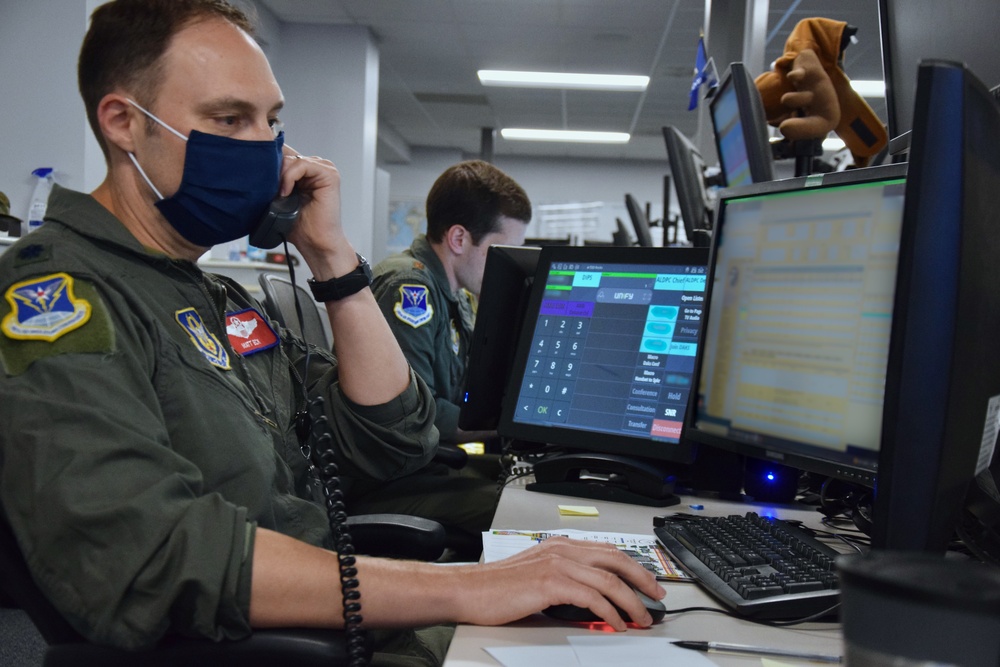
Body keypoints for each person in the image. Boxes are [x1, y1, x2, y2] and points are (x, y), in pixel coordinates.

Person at [0, 1, 664, 664]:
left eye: (273, 121)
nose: (268, 147)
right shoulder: (58, 297)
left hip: (347, 621)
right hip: (272, 646)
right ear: (122, 122)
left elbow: (389, 436)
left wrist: (333, 261)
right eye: (230, 119)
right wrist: (470, 585)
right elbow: (151, 554)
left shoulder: (217, 297)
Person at [372, 161, 529, 448]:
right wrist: (513, 424)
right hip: (400, 475)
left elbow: (466, 390)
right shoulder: (409, 289)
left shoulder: (457, 294)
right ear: (459, 239)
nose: (510, 264)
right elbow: (418, 414)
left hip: (428, 461)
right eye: (503, 251)